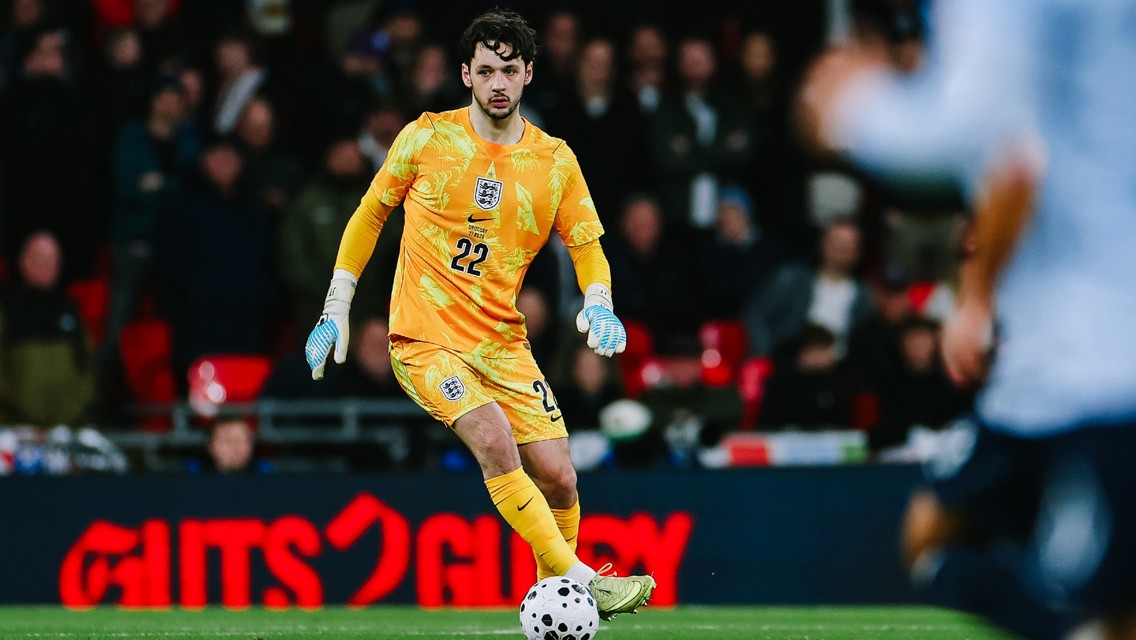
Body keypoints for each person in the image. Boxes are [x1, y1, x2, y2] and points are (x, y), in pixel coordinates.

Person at [302, 8, 655, 620]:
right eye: (486, 70)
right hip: (424, 339)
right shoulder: (426, 138)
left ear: (528, 75)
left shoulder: (554, 161)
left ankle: (558, 604)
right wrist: (337, 304)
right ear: (466, 73)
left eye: (509, 71)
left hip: (502, 343)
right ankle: (584, 582)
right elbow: (368, 216)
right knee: (492, 437)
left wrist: (599, 300)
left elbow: (586, 244)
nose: (498, 82)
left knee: (562, 478)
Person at [800, 0, 1136, 638]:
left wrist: (851, 107)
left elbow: (991, 139)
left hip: (1083, 365)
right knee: (939, 532)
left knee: (943, 539)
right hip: (1071, 356)